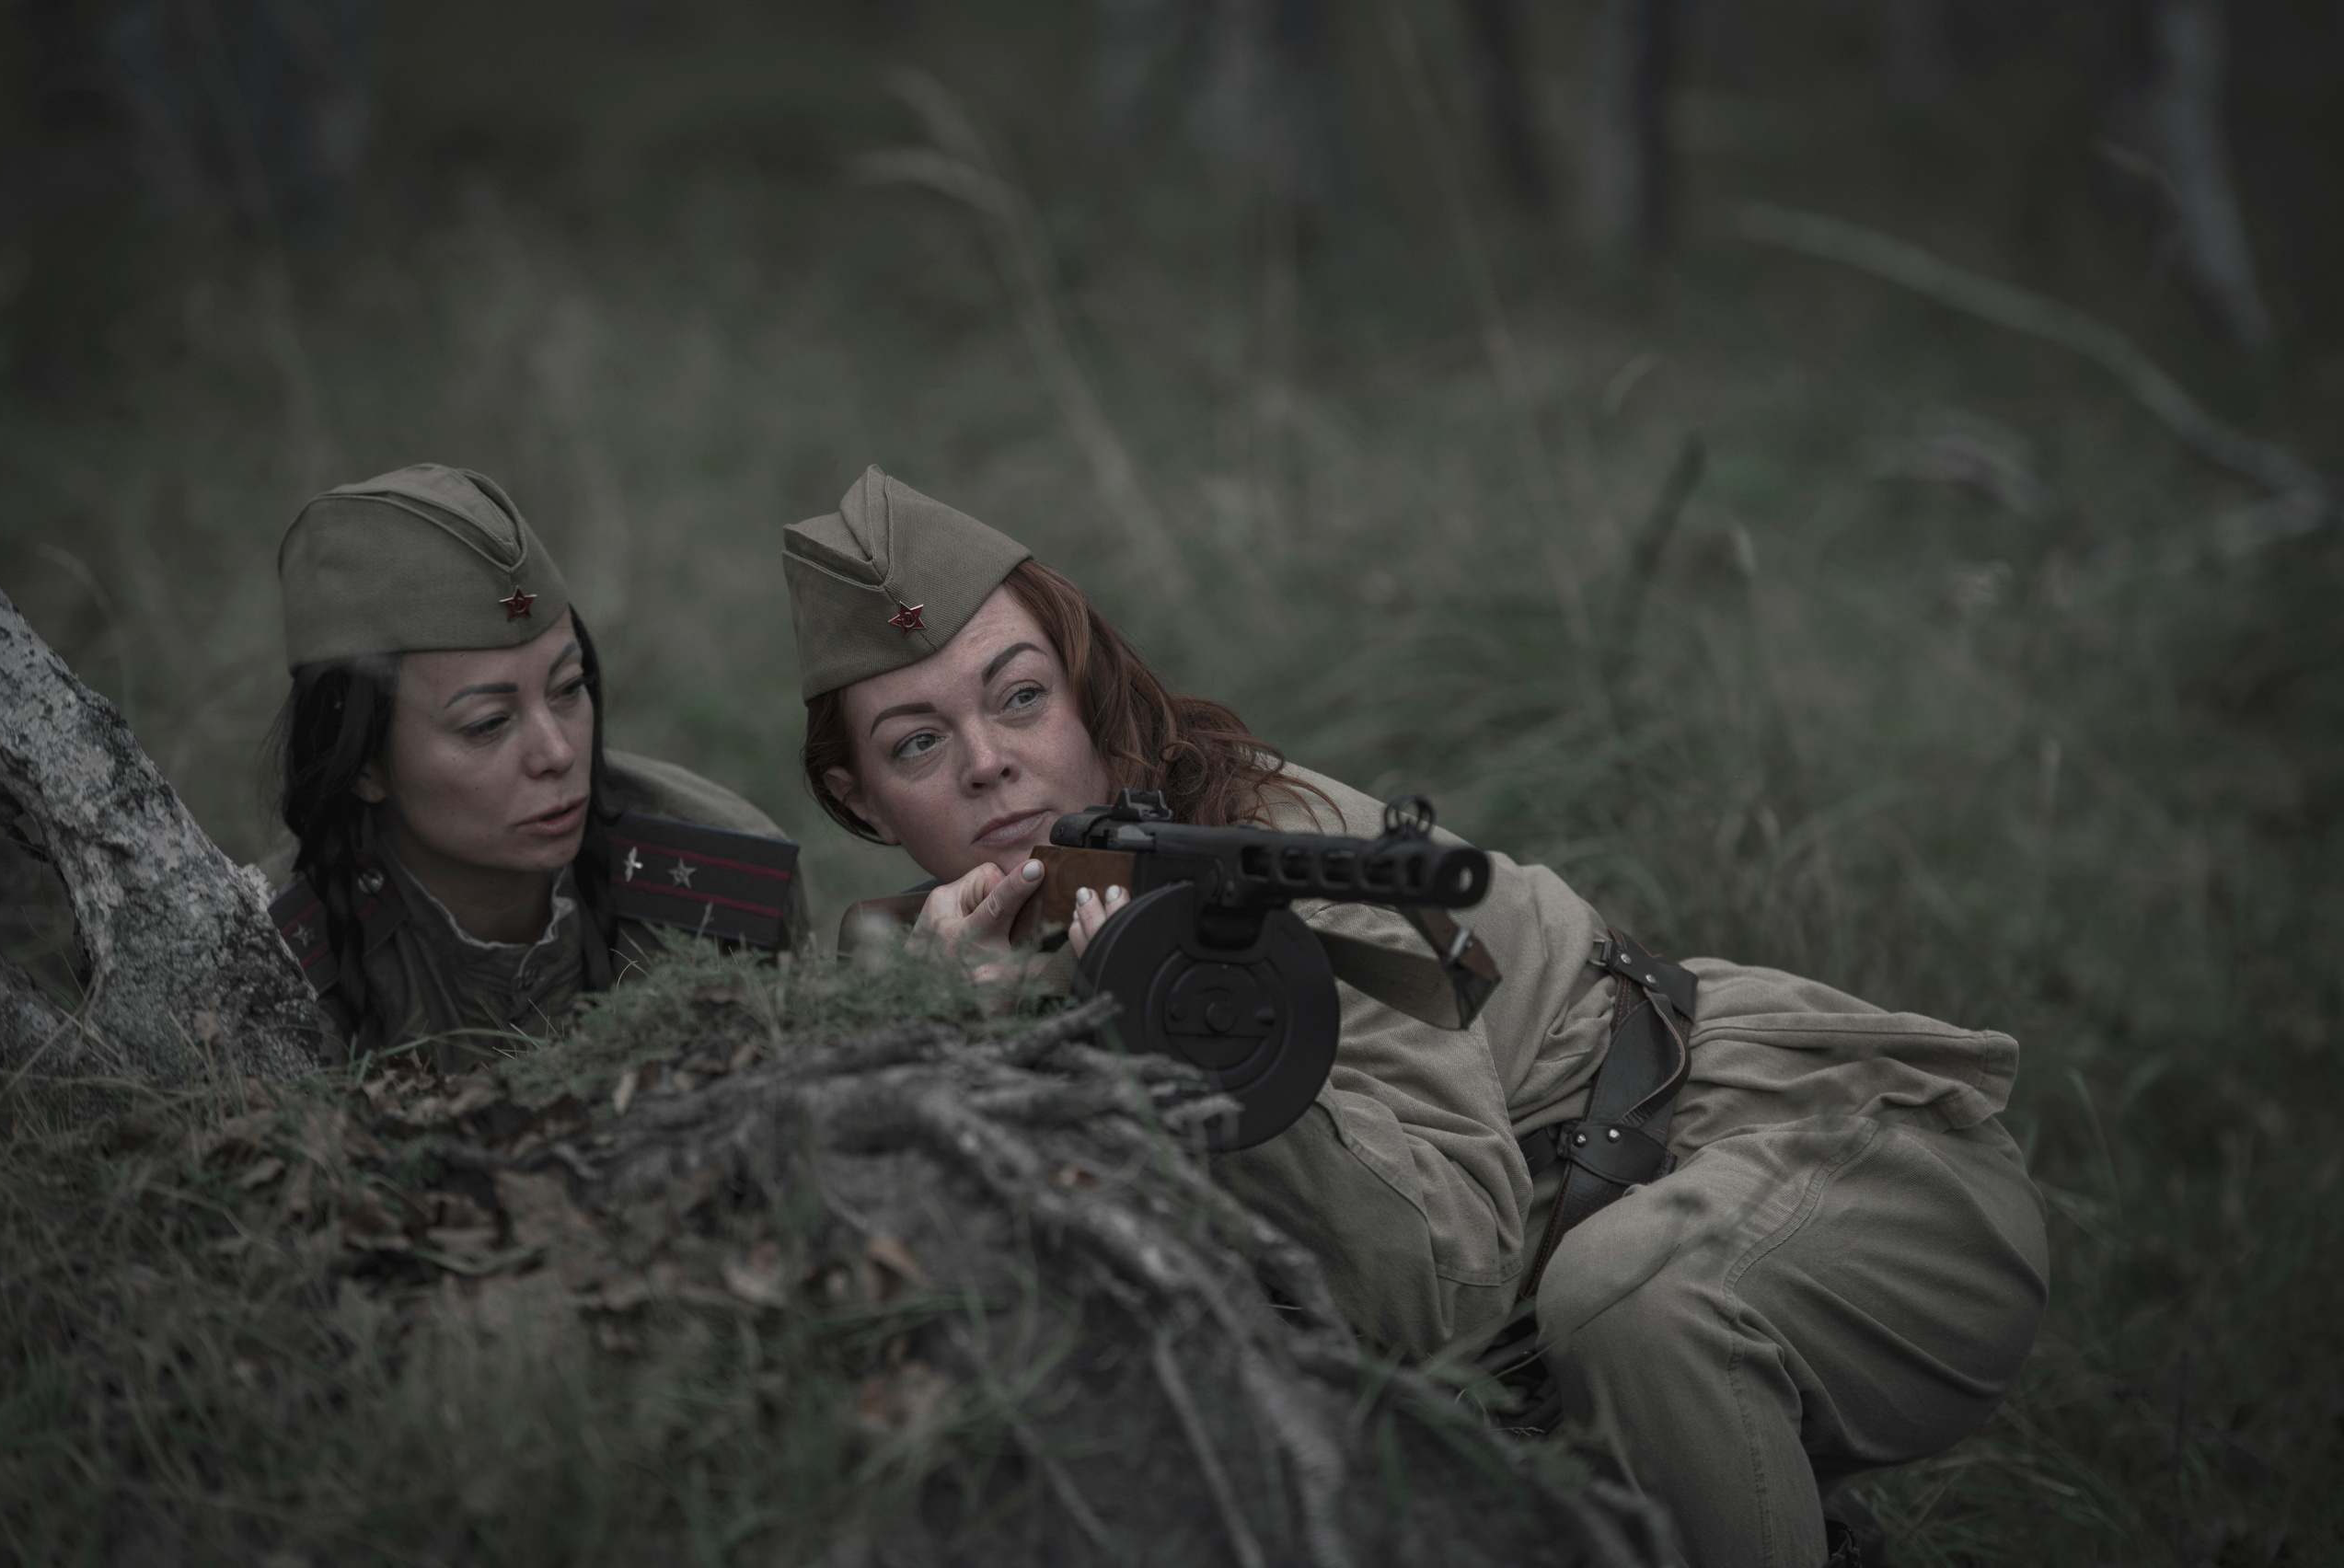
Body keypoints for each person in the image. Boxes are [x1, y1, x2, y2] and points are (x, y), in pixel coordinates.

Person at [783, 465, 2049, 1568]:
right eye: (915, 745)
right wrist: (955, 1035)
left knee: (1629, 1301)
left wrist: (1182, 1041)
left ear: (1088, 698)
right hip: (1576, 1278)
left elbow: (1440, 1282)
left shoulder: (1273, 856)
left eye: (1018, 698)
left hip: (1840, 1169)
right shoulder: (939, 954)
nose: (987, 763)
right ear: (857, 796)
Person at [262, 463, 806, 1066]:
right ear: (362, 763)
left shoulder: (729, 887)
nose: (559, 753)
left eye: (568, 689)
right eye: (488, 724)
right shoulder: (276, 967)